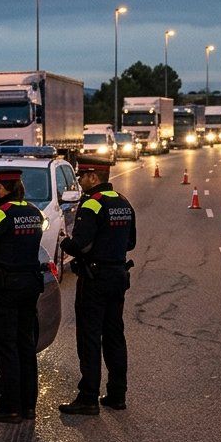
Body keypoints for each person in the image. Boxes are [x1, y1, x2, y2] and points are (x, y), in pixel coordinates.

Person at [58, 164, 136, 415]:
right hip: (118, 276)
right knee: (114, 335)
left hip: (94, 279)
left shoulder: (92, 203)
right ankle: (117, 394)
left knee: (89, 338)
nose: (79, 180)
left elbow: (79, 245)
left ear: (94, 176)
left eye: (82, 175)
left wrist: (65, 242)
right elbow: (131, 242)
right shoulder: (123, 202)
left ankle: (88, 397)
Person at [0, 167, 45, 422]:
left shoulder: (0, 215)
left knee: (6, 346)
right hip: (31, 284)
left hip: (7, 287)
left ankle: (11, 406)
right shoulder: (34, 212)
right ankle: (29, 405)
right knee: (26, 345)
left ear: (2, 187)